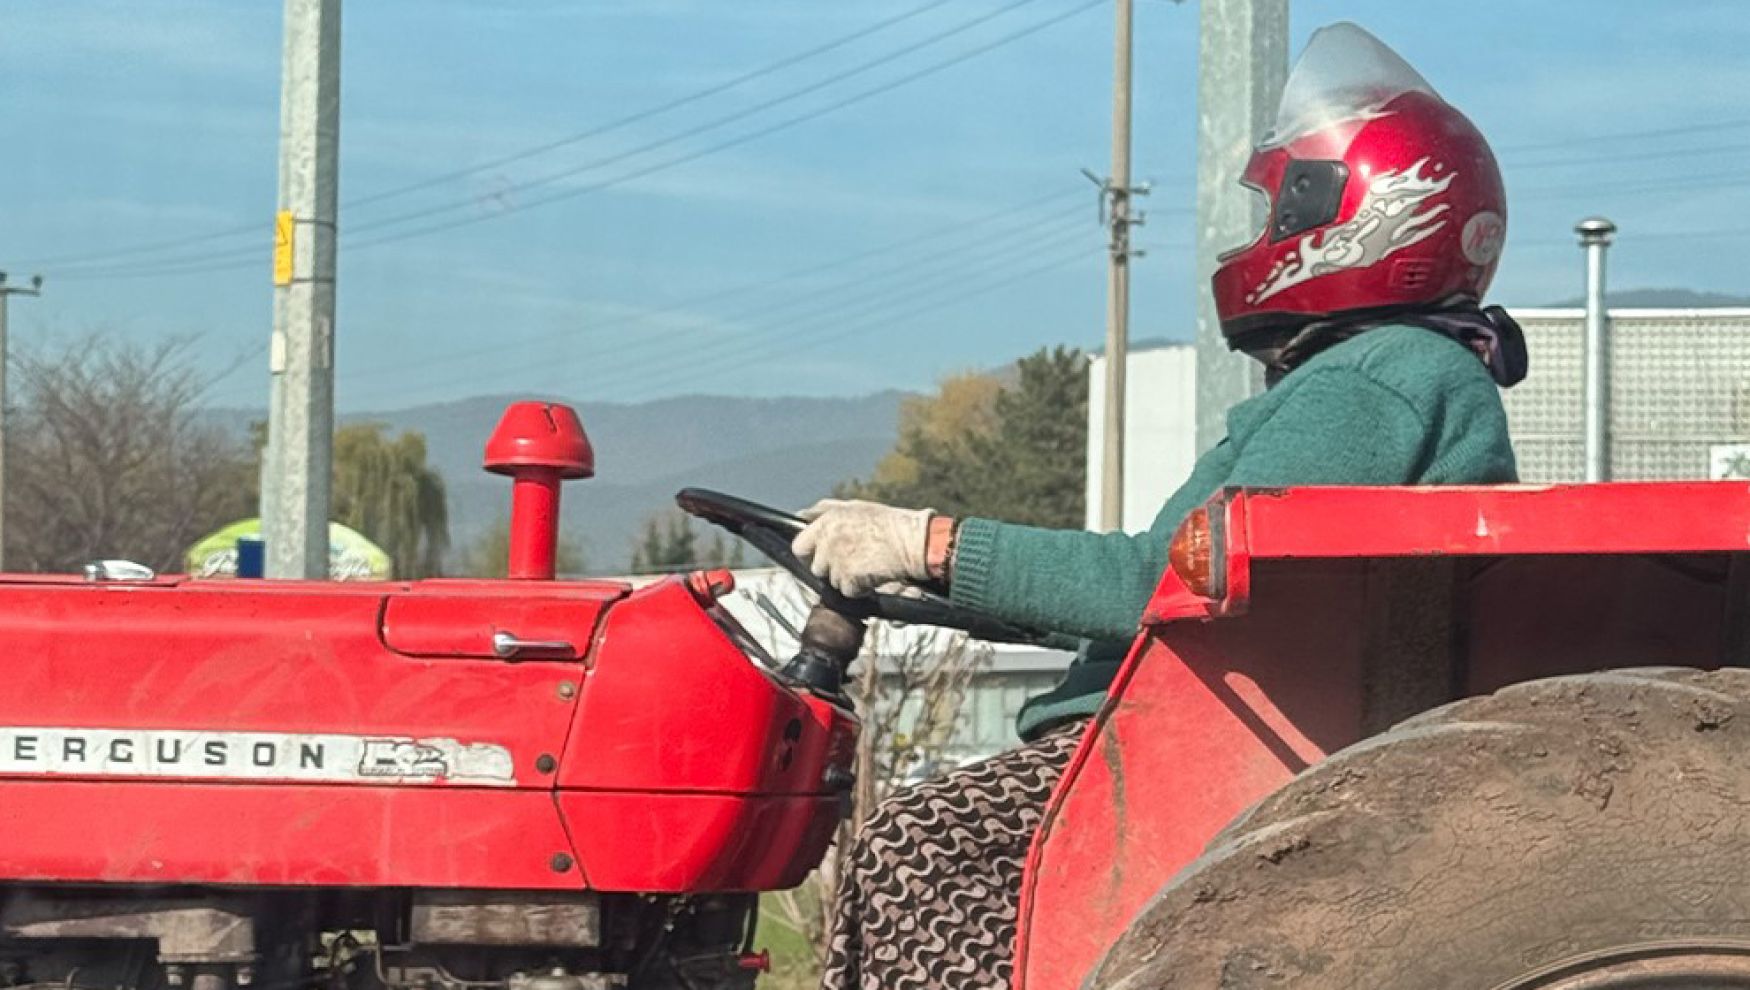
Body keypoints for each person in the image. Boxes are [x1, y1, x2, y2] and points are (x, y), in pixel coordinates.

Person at [796, 23, 1526, 990]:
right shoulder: (1393, 373)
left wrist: (924, 541)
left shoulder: (1379, 378)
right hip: (1208, 728)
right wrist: (941, 571)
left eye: (1278, 209)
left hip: (1208, 751)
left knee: (917, 851)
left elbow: (1156, 580)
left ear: (1364, 214)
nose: (1257, 235)